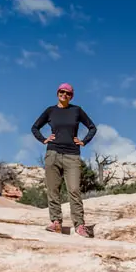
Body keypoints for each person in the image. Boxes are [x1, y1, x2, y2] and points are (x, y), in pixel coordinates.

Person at [31, 82, 97, 237]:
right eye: (62, 92)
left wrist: (83, 141)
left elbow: (92, 127)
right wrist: (44, 139)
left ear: (71, 96)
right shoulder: (50, 111)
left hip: (72, 155)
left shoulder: (77, 110)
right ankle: (56, 223)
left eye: (68, 93)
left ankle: (80, 225)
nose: (64, 95)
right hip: (52, 153)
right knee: (53, 190)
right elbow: (35, 127)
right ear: (57, 93)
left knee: (74, 190)